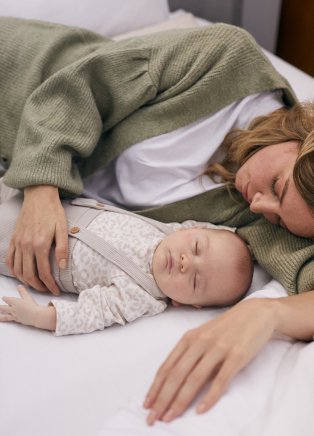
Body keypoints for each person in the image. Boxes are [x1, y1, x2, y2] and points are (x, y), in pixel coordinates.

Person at [0, 16, 314, 421]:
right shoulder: (229, 59)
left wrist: (268, 313)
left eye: (281, 220)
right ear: (303, 138)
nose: (260, 206)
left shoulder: (256, 218)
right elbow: (81, 86)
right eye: (277, 186)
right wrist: (42, 187)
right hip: (18, 77)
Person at [0, 194, 253, 335]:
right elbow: (229, 227)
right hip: (41, 203)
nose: (187, 262)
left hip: (25, 249)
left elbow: (90, 315)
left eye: (196, 281)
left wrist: (38, 317)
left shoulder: (141, 296)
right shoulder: (168, 231)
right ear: (196, 228)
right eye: (196, 248)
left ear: (186, 303)